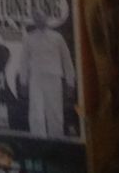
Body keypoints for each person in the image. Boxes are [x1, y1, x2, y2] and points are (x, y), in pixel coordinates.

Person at [19, 8, 76, 138]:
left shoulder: (57, 37)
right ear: (34, 21)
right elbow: (24, 62)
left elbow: (66, 60)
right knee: (36, 111)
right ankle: (38, 139)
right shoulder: (29, 38)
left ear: (46, 18)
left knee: (55, 112)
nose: (39, 20)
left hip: (54, 78)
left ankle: (56, 139)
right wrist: (23, 82)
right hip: (36, 79)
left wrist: (70, 82)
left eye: (41, 17)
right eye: (36, 18)